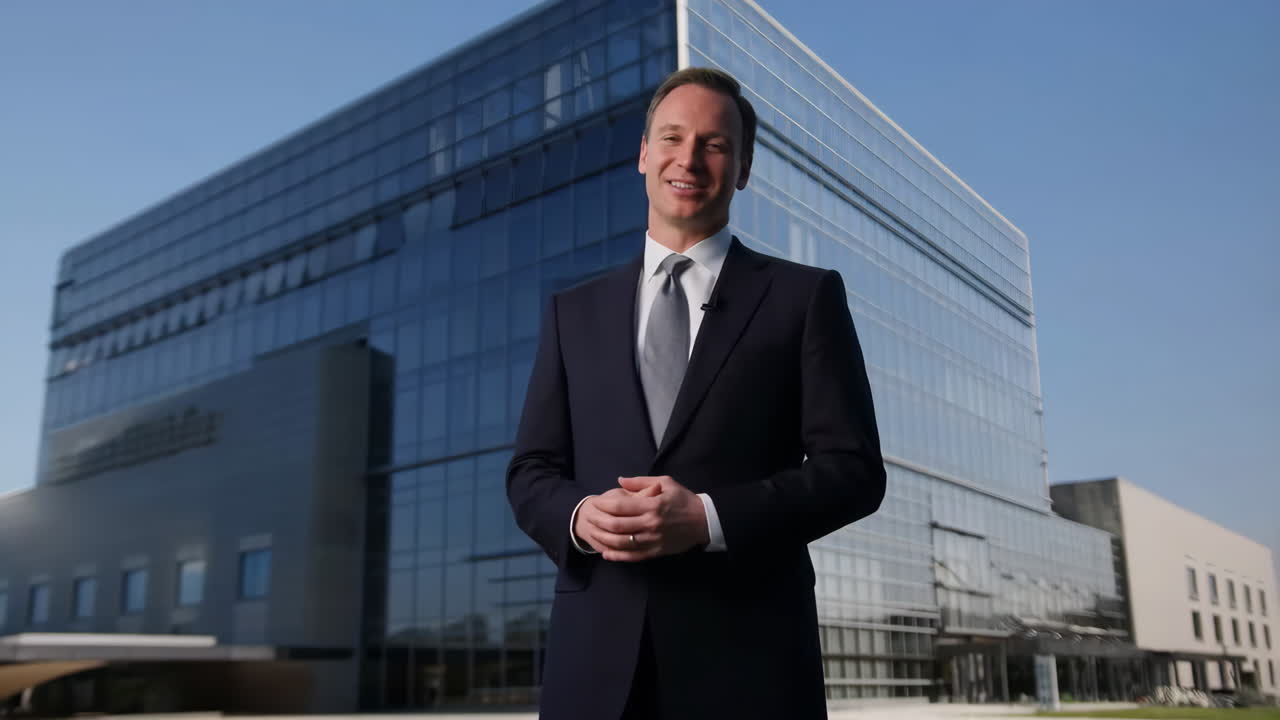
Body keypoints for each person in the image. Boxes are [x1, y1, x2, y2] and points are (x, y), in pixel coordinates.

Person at [507, 67, 886, 720]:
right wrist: (578, 516)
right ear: (643, 154)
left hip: (750, 663)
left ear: (743, 169)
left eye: (714, 144)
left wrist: (709, 519)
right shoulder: (574, 311)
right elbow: (532, 470)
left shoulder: (805, 297)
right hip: (593, 667)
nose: (688, 158)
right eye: (672, 138)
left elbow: (853, 471)